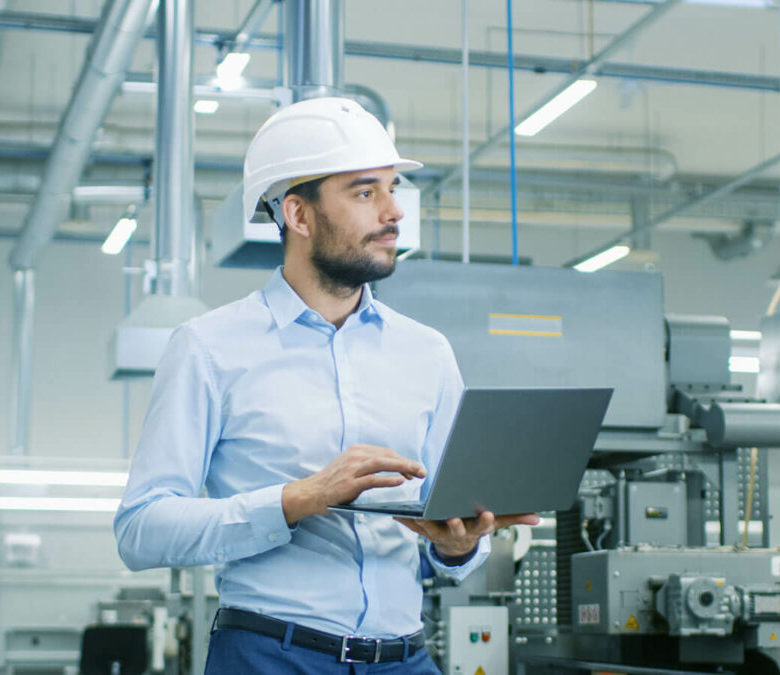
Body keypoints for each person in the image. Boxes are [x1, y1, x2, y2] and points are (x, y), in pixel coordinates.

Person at [113, 97, 538, 674]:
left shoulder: (427, 352)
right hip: (269, 657)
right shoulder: (209, 348)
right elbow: (141, 529)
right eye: (365, 193)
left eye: (393, 189)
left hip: (405, 659)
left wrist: (458, 545)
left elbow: (453, 527)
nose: (394, 212)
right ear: (299, 215)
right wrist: (297, 500)